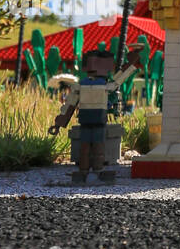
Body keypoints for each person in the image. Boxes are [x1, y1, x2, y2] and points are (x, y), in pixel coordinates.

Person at [50, 45, 141, 183]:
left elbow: (70, 105)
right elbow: (70, 105)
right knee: (90, 147)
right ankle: (90, 171)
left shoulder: (89, 85)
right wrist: (60, 122)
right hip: (92, 119)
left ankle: (92, 171)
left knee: (93, 146)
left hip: (92, 119)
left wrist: (130, 64)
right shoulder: (91, 86)